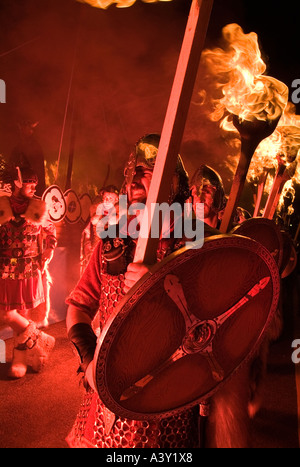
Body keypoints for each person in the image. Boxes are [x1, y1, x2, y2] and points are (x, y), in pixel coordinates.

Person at [65, 134, 202, 449]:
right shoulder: (112, 240)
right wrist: (89, 364)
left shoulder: (195, 246)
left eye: (149, 170)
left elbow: (209, 329)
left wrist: (161, 285)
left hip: (168, 403)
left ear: (174, 181)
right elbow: (79, 307)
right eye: (134, 171)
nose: (137, 178)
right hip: (105, 398)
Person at [0, 163, 56, 379]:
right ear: (16, 182)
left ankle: (20, 359)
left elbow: (51, 231)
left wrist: (50, 248)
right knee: (7, 314)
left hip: (30, 270)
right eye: (29, 182)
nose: (33, 186)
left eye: (35, 182)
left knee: (22, 314)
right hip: (5, 269)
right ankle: (40, 341)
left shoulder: (38, 208)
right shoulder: (2, 206)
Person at [80, 185, 119, 276]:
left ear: (116, 200)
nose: (107, 200)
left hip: (112, 239)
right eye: (106, 197)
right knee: (95, 258)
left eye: (111, 198)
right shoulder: (96, 207)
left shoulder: (119, 209)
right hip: (97, 239)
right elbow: (93, 221)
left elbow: (115, 221)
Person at [9, 120, 46, 197]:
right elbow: (11, 164)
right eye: (21, 128)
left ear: (31, 131)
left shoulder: (35, 147)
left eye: (24, 128)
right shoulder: (17, 148)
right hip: (17, 187)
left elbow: (38, 171)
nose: (22, 131)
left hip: (31, 187)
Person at [190, 164, 226, 229]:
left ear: (217, 197)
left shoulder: (229, 234)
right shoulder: (184, 235)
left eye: (206, 192)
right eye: (195, 194)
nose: (199, 200)